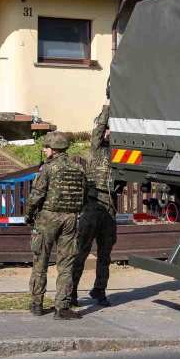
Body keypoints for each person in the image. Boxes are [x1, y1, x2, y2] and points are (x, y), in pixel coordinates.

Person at [25, 131, 86, 320]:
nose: (44, 149)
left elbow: (37, 195)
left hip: (48, 218)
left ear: (53, 149)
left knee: (40, 261)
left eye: (46, 147)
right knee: (66, 264)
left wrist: (28, 215)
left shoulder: (48, 169)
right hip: (70, 219)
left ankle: (36, 304)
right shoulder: (78, 169)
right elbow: (83, 196)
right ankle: (62, 308)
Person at [72, 104, 118, 307]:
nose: (107, 133)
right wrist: (109, 106)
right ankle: (71, 290)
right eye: (107, 129)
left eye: (111, 130)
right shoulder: (97, 148)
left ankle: (99, 289)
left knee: (105, 253)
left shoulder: (119, 153)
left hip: (109, 207)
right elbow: (98, 129)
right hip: (92, 204)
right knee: (81, 250)